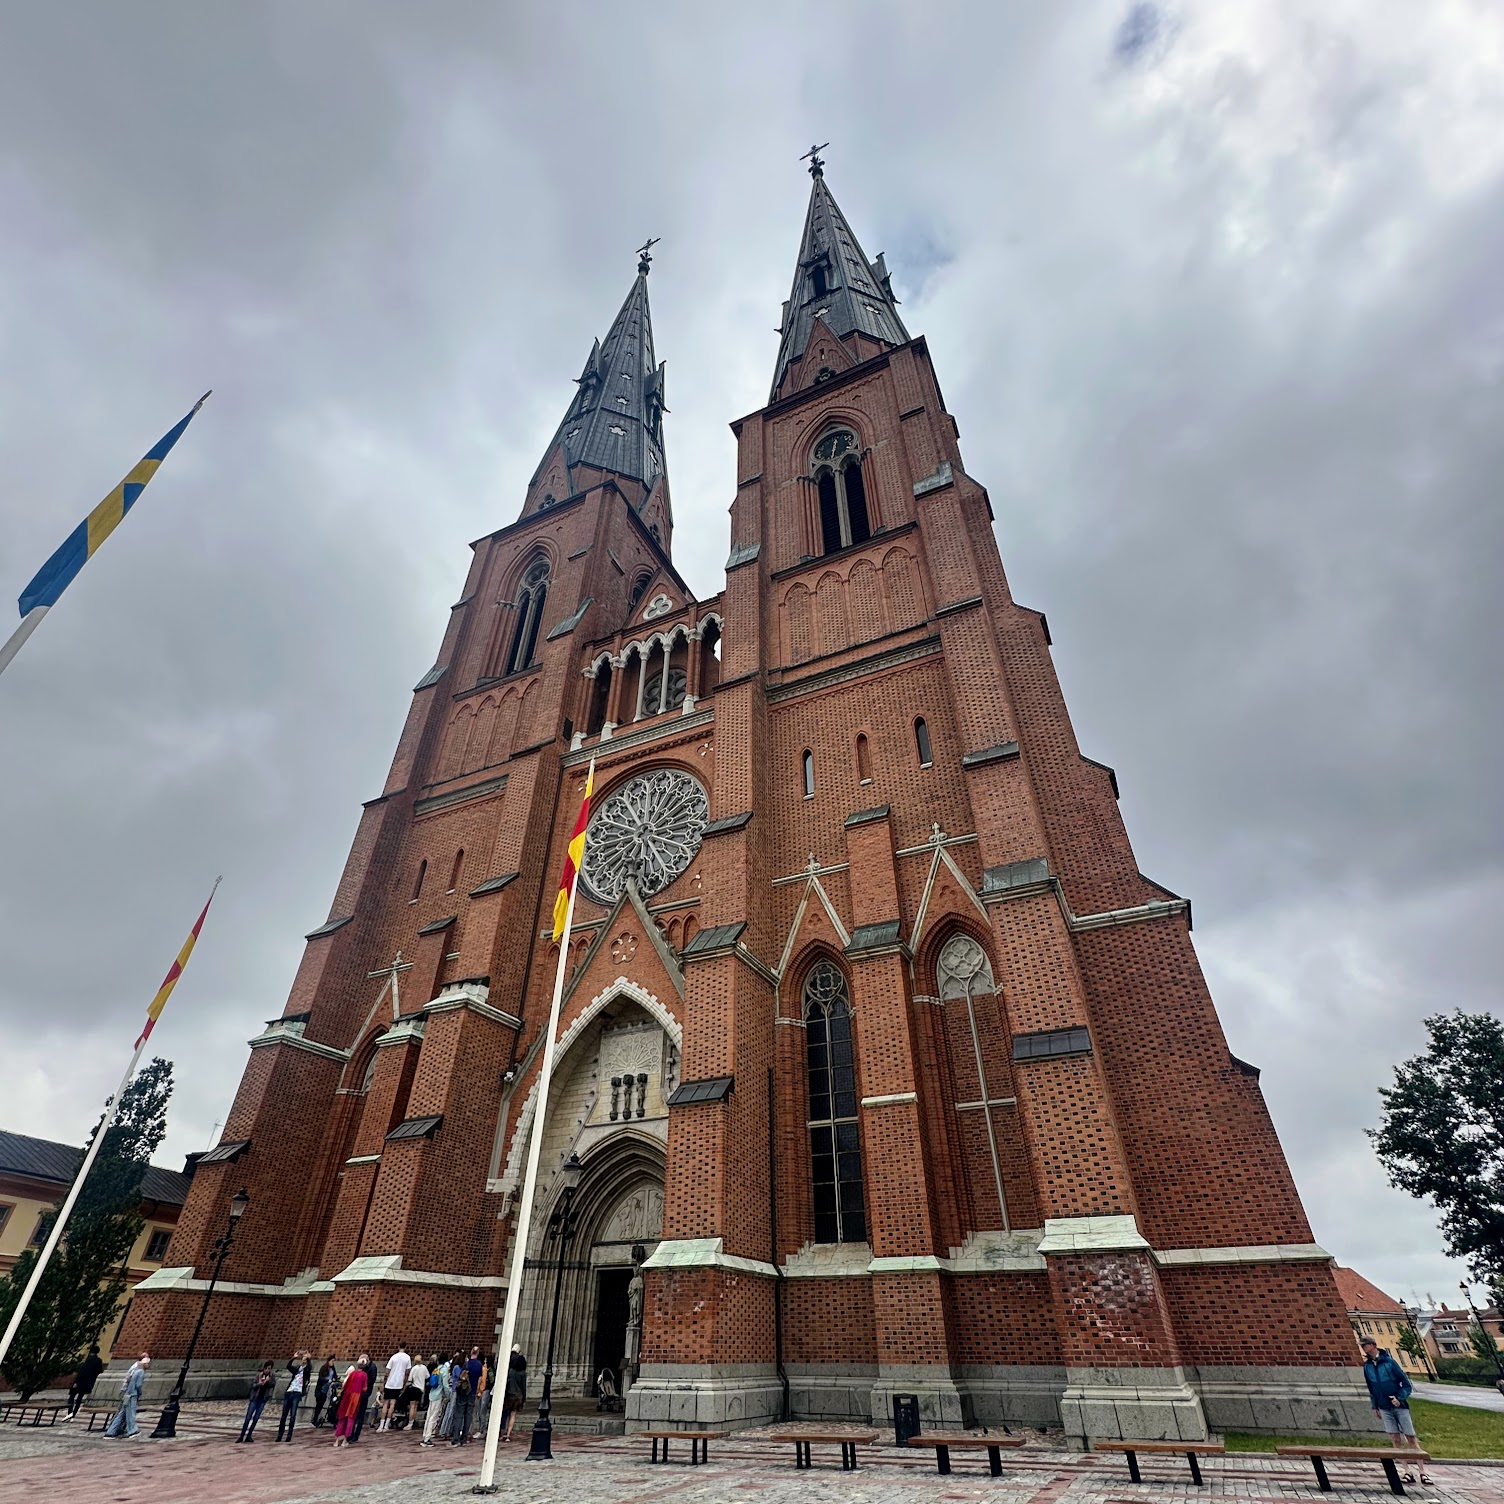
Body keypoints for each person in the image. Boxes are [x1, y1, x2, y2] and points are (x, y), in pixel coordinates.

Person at [1361, 1336, 1432, 1484]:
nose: (1363, 1348)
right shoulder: (1367, 1366)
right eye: (1362, 1346)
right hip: (1383, 1406)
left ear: (1373, 1345)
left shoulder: (1389, 1363)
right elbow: (1371, 1388)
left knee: (1411, 1437)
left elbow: (1406, 1384)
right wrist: (1375, 1406)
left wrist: (1399, 1398)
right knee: (1395, 1438)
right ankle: (1406, 1471)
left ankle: (1422, 1472)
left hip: (1399, 1406)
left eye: (1365, 1345)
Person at [104, 1353, 149, 1439]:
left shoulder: (135, 1369)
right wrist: (139, 1393)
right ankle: (132, 1430)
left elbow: (128, 1379)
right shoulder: (140, 1371)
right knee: (130, 1413)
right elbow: (138, 1385)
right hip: (132, 1394)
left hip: (127, 1393)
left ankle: (110, 1432)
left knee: (121, 1414)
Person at [276, 1349, 312, 1441]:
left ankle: (289, 1435)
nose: (303, 1360)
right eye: (303, 1358)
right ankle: (280, 1435)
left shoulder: (306, 1371)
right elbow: (288, 1366)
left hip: (297, 1393)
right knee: (284, 1415)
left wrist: (309, 1359)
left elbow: (309, 1369)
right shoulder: (297, 1369)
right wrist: (294, 1357)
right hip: (289, 1392)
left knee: (292, 1416)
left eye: (304, 1359)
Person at [236, 1361, 276, 1443]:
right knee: (248, 1418)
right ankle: (241, 1436)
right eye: (266, 1368)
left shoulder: (271, 1376)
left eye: (269, 1369)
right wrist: (260, 1383)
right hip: (255, 1398)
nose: (267, 1370)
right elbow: (253, 1386)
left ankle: (249, 1435)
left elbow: (273, 1384)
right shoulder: (259, 1375)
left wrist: (268, 1381)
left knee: (256, 1418)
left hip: (262, 1400)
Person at [332, 1361, 369, 1448]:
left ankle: (337, 1440)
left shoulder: (353, 1374)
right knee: (351, 1418)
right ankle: (345, 1440)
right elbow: (364, 1388)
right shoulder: (364, 1375)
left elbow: (345, 1385)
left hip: (347, 1395)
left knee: (342, 1417)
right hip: (355, 1397)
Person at [65, 1345, 104, 1420]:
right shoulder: (98, 1360)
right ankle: (74, 1414)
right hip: (88, 1382)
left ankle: (70, 1413)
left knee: (72, 1397)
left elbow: (82, 1372)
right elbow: (99, 1371)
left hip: (80, 1381)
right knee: (79, 1398)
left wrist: (76, 1382)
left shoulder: (87, 1360)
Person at [379, 1343, 412, 1431]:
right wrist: (404, 1384)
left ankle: (381, 1425)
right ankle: (386, 1425)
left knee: (385, 1403)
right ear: (405, 1347)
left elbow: (387, 1371)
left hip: (390, 1382)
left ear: (398, 1347)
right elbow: (407, 1373)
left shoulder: (393, 1357)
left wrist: (384, 1382)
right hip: (398, 1383)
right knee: (393, 1404)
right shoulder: (407, 1358)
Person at [420, 1354, 451, 1446]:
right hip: (438, 1395)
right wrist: (448, 1394)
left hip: (432, 1394)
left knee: (429, 1416)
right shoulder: (444, 1370)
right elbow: (445, 1385)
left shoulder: (436, 1369)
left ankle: (425, 1435)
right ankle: (428, 1438)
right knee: (434, 1417)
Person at [349, 1352, 378, 1442]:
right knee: (355, 1414)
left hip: (364, 1393)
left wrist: (362, 1383)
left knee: (360, 1414)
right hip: (357, 1392)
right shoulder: (362, 1369)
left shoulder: (372, 1368)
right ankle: (350, 1433)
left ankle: (355, 1435)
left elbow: (371, 1380)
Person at [447, 1350, 474, 1446]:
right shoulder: (472, 1366)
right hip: (471, 1393)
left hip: (461, 1392)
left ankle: (456, 1437)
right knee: (468, 1416)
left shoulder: (460, 1367)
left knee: (458, 1415)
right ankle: (464, 1437)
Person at [501, 1345, 527, 1442]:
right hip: (518, 1395)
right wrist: (524, 1397)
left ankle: (502, 1432)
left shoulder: (511, 1371)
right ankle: (508, 1434)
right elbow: (523, 1386)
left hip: (510, 1394)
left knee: (506, 1413)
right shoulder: (523, 1373)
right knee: (513, 1414)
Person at [403, 1353, 429, 1431]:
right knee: (416, 1406)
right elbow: (427, 1376)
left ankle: (410, 1423)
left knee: (412, 1406)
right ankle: (412, 1421)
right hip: (421, 1388)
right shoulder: (424, 1367)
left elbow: (410, 1379)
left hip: (414, 1387)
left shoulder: (414, 1368)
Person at [312, 1355, 338, 1427]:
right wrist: (328, 1380)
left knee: (326, 1404)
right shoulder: (323, 1368)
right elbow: (320, 1378)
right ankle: (315, 1418)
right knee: (319, 1405)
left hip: (328, 1389)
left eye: (334, 1361)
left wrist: (335, 1379)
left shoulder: (333, 1369)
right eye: (332, 1361)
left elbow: (335, 1376)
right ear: (329, 1361)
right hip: (322, 1389)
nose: (333, 1363)